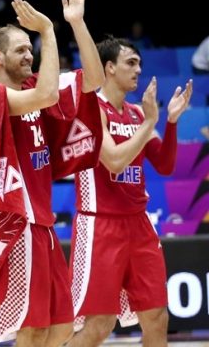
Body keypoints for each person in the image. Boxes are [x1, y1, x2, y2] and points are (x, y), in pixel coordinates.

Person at [0, 0, 105, 346]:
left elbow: (94, 81)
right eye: (20, 50)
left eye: (31, 49)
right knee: (31, 329)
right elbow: (46, 95)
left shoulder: (31, 84)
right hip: (16, 221)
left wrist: (75, 23)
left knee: (61, 327)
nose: (29, 56)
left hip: (41, 223)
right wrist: (47, 30)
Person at [68, 37, 192, 347]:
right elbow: (113, 160)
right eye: (131, 63)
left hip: (138, 223)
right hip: (100, 225)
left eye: (140, 63)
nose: (139, 70)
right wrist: (151, 122)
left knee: (157, 317)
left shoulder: (137, 113)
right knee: (99, 325)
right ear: (109, 68)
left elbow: (164, 165)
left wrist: (171, 121)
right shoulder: (91, 108)